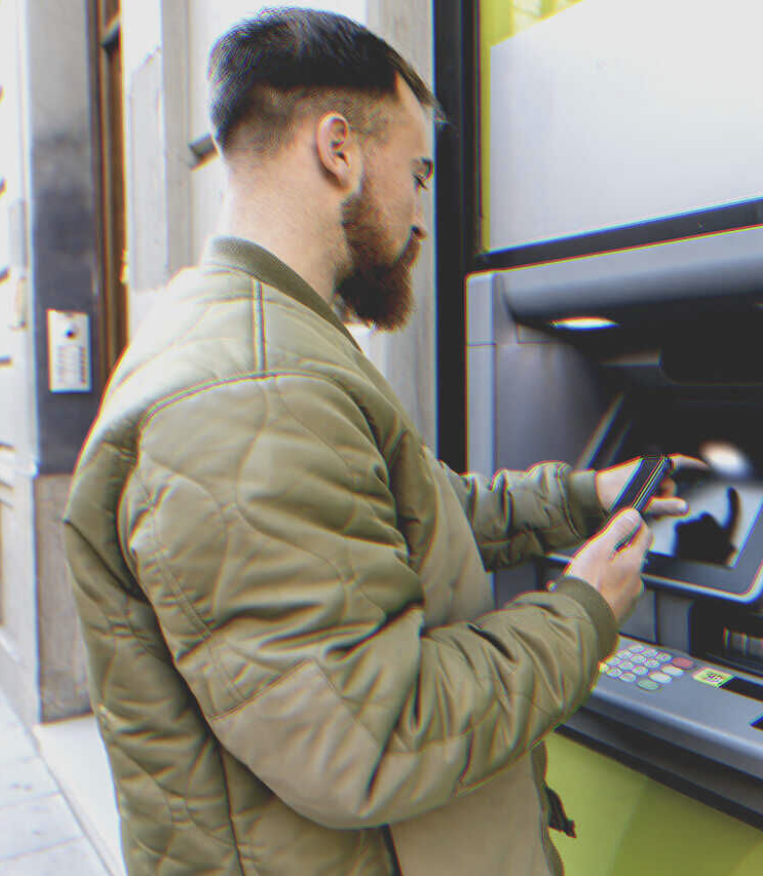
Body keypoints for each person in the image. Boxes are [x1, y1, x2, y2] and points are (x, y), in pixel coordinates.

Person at [62, 9, 689, 875]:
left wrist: (582, 498)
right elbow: (371, 735)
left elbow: (403, 519)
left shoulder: (251, 336)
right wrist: (584, 611)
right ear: (339, 150)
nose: (421, 213)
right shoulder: (254, 392)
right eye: (418, 172)